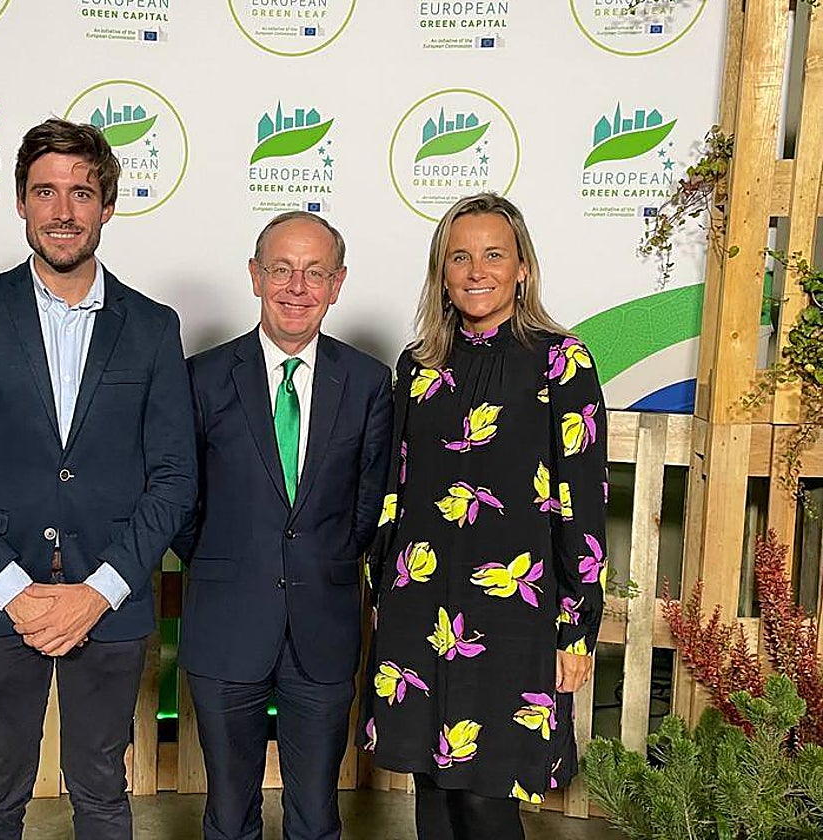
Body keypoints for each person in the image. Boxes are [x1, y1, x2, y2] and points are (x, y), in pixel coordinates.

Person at [0, 118, 197, 840]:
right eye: (45, 191)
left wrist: (98, 593)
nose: (63, 210)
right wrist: (14, 592)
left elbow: (173, 479)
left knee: (102, 788)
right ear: (20, 203)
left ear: (108, 206)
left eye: (81, 192)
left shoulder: (154, 327)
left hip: (110, 600)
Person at [364, 193, 607, 840]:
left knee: (484, 801)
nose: (477, 271)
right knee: (434, 796)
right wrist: (383, 596)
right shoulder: (418, 366)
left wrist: (577, 630)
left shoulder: (564, 361)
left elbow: (581, 506)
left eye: (494, 255)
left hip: (513, 623)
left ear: (522, 267)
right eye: (460, 257)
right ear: (441, 273)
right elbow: (395, 492)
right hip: (419, 612)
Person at [174, 211, 393, 840]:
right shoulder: (204, 378)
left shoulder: (369, 382)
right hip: (226, 623)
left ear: (337, 284)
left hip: (323, 630)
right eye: (281, 269)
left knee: (317, 815)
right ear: (254, 276)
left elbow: (368, 505)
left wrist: (319, 565)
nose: (296, 287)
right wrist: (228, 562)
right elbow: (182, 505)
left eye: (315, 273)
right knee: (228, 812)